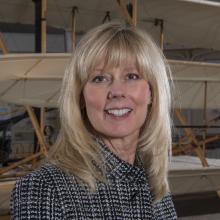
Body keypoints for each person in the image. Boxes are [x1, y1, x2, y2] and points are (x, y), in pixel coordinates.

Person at [11, 22, 177, 219]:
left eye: (132, 76)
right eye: (99, 79)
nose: (116, 92)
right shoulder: (43, 189)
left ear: (152, 93)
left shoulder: (156, 188)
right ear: (81, 96)